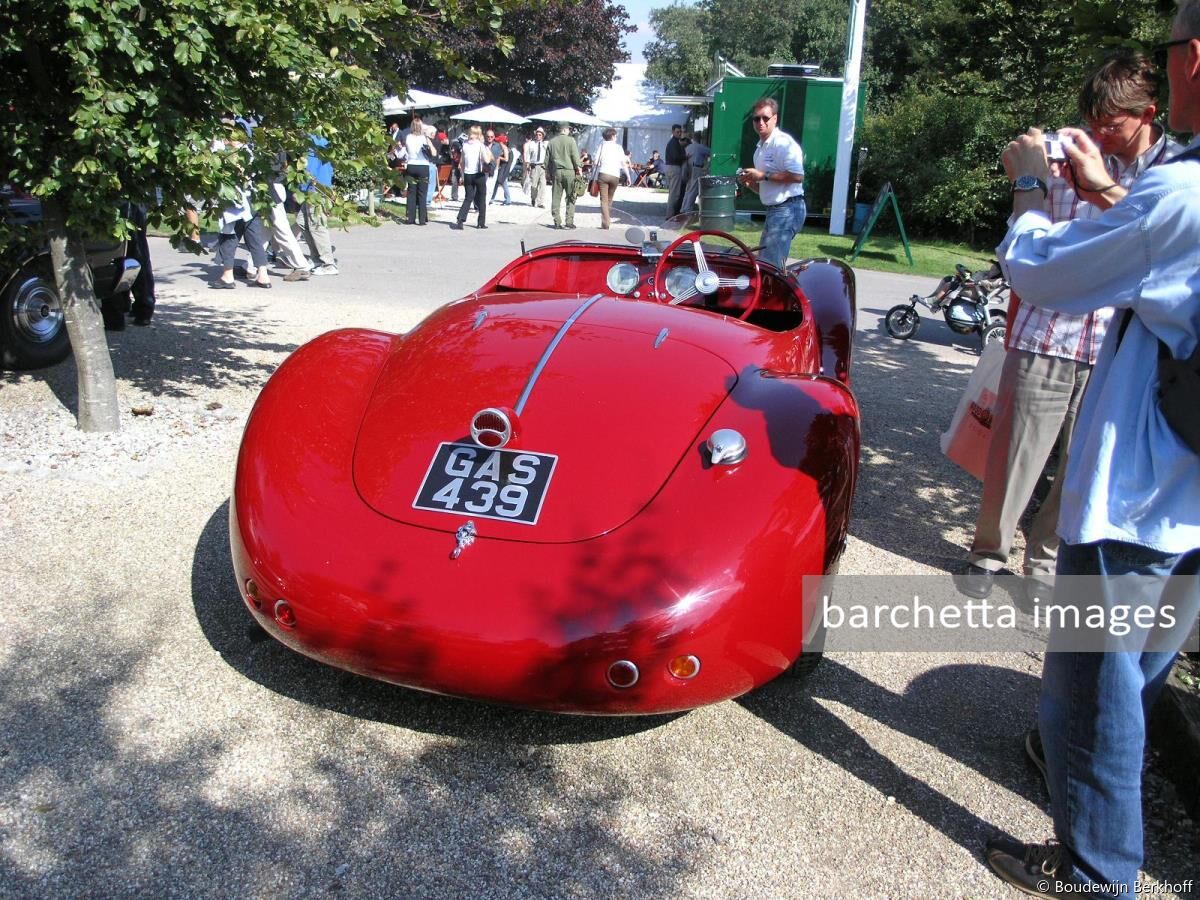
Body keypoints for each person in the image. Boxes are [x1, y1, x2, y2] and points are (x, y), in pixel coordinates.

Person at [979, 4, 1200, 896]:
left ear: (1193, 58)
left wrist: (1033, 187)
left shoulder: (1182, 192)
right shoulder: (1175, 187)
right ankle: (1079, 788)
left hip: (1142, 490)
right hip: (1190, 491)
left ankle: (1096, 870)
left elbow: (1043, 273)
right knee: (1139, 670)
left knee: (1094, 686)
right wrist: (1109, 187)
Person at [957, 51, 1183, 604]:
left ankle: (1044, 564)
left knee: (1083, 466)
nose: (1099, 135)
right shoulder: (1061, 154)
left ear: (1148, 113)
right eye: (1092, 121)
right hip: (1047, 332)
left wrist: (1095, 189)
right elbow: (1020, 248)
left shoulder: (1175, 173)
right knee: (1015, 453)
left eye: (1112, 124)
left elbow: (1162, 248)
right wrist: (1029, 178)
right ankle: (988, 554)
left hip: (1117, 348)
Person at [737, 97, 806, 270]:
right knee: (765, 263)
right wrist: (750, 183)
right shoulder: (760, 149)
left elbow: (798, 176)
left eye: (765, 118)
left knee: (771, 267)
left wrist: (762, 175)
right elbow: (766, 187)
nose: (761, 122)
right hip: (775, 210)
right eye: (756, 118)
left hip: (788, 208)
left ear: (775, 119)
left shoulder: (783, 143)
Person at [209, 126, 272, 290]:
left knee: (228, 238)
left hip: (235, 203)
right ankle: (263, 275)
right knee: (254, 239)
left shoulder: (230, 154)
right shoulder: (251, 152)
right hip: (252, 200)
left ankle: (227, 275)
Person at [295, 135, 338, 275]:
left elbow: (310, 169)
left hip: (315, 188)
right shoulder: (323, 139)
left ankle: (328, 264)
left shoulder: (311, 141)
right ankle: (316, 259)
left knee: (317, 225)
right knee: (302, 221)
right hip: (320, 186)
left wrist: (301, 188)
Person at [451, 124, 492, 230]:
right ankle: (481, 223)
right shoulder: (480, 145)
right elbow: (487, 160)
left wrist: (462, 174)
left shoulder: (464, 145)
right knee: (481, 197)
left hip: (468, 174)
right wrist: (488, 151)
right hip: (478, 174)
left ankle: (460, 219)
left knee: (468, 197)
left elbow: (462, 162)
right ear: (478, 134)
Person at [546, 122, 582, 229]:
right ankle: (569, 221)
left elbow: (546, 160)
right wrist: (579, 168)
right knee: (571, 196)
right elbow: (575, 157)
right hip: (569, 171)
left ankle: (557, 221)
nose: (569, 131)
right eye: (569, 129)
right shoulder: (571, 140)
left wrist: (548, 173)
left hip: (557, 171)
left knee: (556, 197)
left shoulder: (551, 142)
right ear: (565, 129)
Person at [403, 115, 437, 226]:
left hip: (411, 165)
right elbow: (434, 153)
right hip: (423, 166)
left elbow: (407, 149)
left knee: (411, 193)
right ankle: (422, 219)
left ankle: (410, 218)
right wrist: (426, 136)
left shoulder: (408, 137)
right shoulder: (424, 138)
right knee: (422, 193)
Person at [591, 128, 627, 229]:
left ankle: (606, 222)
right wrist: (628, 176)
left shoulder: (602, 146)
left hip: (603, 173)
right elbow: (623, 163)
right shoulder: (619, 148)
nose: (616, 137)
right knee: (610, 199)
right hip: (615, 175)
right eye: (615, 135)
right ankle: (606, 219)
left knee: (604, 199)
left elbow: (596, 161)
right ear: (612, 136)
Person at [681, 134, 712, 212]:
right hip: (697, 168)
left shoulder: (688, 147)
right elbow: (711, 152)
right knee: (693, 189)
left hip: (688, 169)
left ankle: (683, 207)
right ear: (699, 139)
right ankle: (688, 209)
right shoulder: (700, 147)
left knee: (688, 189)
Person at [664, 124, 686, 217]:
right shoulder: (674, 142)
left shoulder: (674, 142)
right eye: (677, 132)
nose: (679, 133)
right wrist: (685, 156)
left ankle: (671, 214)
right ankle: (670, 215)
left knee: (673, 193)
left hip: (670, 167)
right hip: (674, 168)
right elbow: (675, 157)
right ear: (673, 132)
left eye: (680, 132)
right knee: (674, 194)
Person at [523, 126, 548, 207]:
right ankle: (533, 198)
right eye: (537, 134)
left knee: (542, 185)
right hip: (534, 166)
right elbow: (528, 155)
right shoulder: (532, 144)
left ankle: (540, 202)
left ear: (542, 136)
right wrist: (528, 164)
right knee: (534, 185)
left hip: (542, 166)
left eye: (540, 135)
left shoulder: (545, 144)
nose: (538, 136)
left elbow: (549, 154)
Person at [491, 133, 518, 205]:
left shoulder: (505, 148)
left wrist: (498, 156)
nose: (497, 142)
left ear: (501, 142)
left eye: (498, 141)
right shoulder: (501, 147)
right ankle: (492, 198)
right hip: (503, 165)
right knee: (499, 181)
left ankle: (507, 199)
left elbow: (506, 159)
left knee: (501, 180)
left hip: (505, 165)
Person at [483, 129, 504, 207]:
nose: (489, 138)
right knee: (483, 187)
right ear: (485, 136)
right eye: (488, 136)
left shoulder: (497, 146)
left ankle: (486, 203)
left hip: (493, 169)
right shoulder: (482, 145)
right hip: (483, 169)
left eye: (491, 136)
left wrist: (497, 169)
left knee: (490, 187)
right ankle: (480, 203)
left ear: (494, 137)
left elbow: (498, 158)